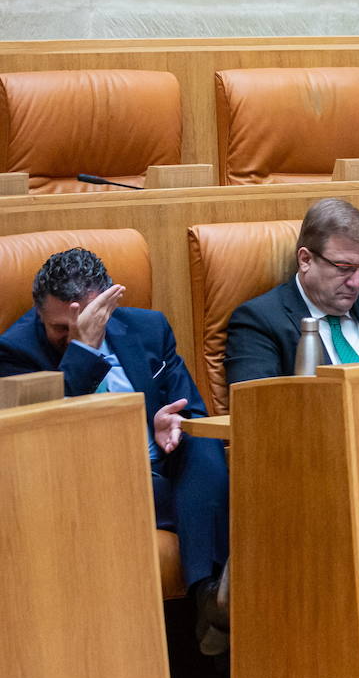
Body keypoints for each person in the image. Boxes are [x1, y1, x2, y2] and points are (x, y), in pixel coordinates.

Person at [0, 248, 229, 652]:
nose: (72, 333)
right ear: (39, 313)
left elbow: (192, 411)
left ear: (108, 303)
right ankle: (214, 605)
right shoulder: (15, 351)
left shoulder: (149, 328)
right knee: (223, 505)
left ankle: (212, 601)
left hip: (161, 465)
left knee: (202, 445)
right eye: (60, 328)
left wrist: (165, 422)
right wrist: (84, 349)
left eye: (90, 322)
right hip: (87, 482)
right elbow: (43, 434)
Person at [225, 198, 359, 384]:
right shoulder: (259, 321)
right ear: (305, 260)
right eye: (344, 267)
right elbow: (256, 406)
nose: (356, 283)